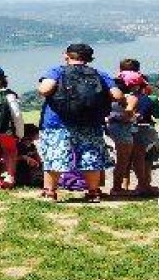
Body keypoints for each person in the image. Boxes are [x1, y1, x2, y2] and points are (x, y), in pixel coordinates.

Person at [37, 43, 122, 202]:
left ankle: (50, 192)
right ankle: (93, 192)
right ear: (90, 58)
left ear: (66, 55)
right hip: (90, 122)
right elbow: (117, 95)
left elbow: (44, 89)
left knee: (55, 156)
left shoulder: (57, 71)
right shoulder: (99, 74)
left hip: (58, 122)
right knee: (91, 156)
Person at [109, 69, 159, 197]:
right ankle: (119, 187)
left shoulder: (112, 98)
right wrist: (129, 117)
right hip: (126, 129)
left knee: (124, 160)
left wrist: (111, 118)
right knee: (126, 160)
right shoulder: (133, 98)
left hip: (113, 129)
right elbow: (128, 113)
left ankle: (123, 186)